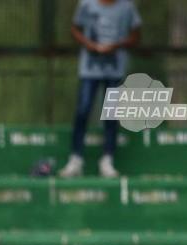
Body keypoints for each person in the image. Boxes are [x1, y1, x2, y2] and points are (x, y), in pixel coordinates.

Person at [58, 0, 142, 179]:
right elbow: (75, 29)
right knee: (83, 110)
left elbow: (136, 35)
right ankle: (76, 159)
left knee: (111, 114)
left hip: (115, 69)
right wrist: (89, 44)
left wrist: (117, 45)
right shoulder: (86, 5)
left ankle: (107, 160)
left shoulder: (127, 7)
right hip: (89, 70)